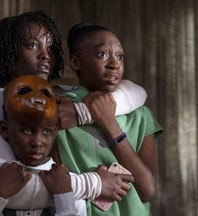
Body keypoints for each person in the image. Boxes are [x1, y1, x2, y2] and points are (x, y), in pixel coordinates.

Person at [0, 10, 147, 210]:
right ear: (10, 54)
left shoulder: (64, 95)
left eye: (50, 48)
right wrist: (94, 183)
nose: (45, 55)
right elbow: (8, 192)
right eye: (33, 45)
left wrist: (81, 113)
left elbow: (137, 92)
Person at [0, 75, 133, 215]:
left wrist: (64, 196)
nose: (37, 142)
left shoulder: (64, 179)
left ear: (56, 131)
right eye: (27, 131)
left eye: (47, 132)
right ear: (4, 130)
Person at [51, 22, 164, 216]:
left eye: (120, 56)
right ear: (76, 62)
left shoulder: (141, 116)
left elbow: (147, 190)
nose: (114, 63)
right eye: (102, 54)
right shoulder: (60, 109)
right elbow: (54, 181)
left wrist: (110, 123)